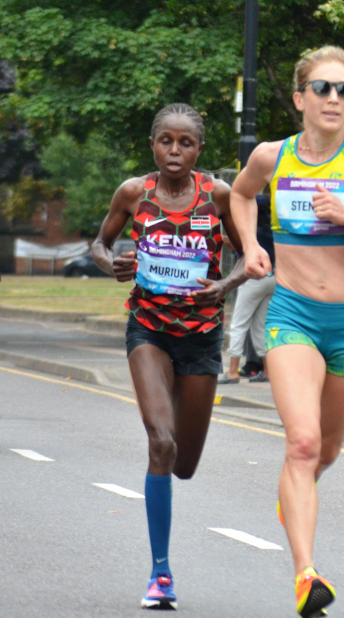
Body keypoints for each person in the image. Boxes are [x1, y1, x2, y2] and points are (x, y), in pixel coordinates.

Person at [228, 46, 344, 617]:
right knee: (303, 443)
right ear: (299, 98)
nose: (333, 98)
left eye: (343, 90)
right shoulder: (272, 157)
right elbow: (240, 195)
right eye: (322, 88)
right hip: (293, 315)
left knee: (327, 451)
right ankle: (306, 577)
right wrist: (252, 245)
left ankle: (295, 492)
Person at [90, 102, 246, 610]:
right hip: (149, 331)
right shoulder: (134, 193)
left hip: (201, 337)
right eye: (166, 141)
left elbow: (251, 256)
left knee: (184, 464)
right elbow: (100, 241)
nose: (174, 151)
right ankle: (161, 574)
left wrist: (223, 284)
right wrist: (111, 262)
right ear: (152, 143)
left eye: (186, 143)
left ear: (200, 150)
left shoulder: (218, 196)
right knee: (161, 442)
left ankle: (175, 475)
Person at [218, 193, 275, 384]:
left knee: (239, 324)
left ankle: (233, 370)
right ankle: (267, 370)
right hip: (272, 278)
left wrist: (221, 238)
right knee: (260, 327)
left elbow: (238, 247)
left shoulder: (250, 232)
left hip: (252, 279)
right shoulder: (272, 230)